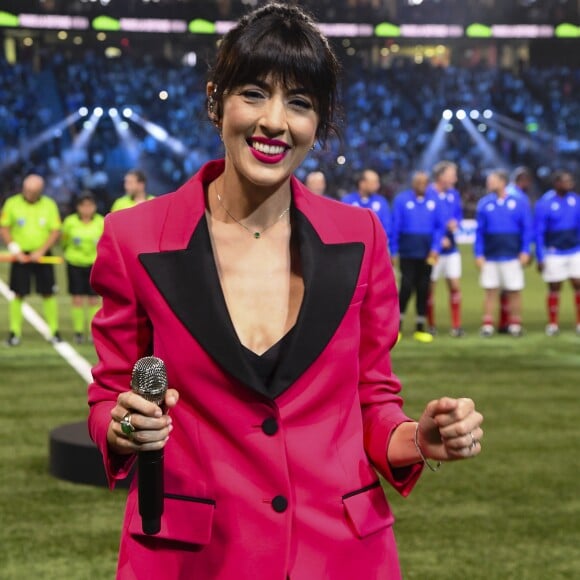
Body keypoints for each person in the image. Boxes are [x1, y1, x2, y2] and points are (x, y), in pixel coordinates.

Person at [87, 4, 484, 579]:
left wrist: (416, 437)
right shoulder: (134, 238)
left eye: (299, 103)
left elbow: (372, 402)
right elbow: (107, 400)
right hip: (191, 559)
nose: (274, 121)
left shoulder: (361, 236)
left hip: (342, 557)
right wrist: (125, 428)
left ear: (318, 124)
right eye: (253, 93)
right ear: (215, 100)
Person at [0, 174, 62, 346]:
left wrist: (41, 251)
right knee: (18, 293)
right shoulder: (12, 203)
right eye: (26, 190)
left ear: (39, 191)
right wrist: (15, 249)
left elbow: (55, 231)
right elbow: (4, 227)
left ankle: (54, 332)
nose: (28, 193)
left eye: (33, 191)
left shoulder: (49, 204)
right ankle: (14, 333)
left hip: (43, 255)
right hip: (20, 256)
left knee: (48, 292)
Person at [475, 169, 533, 337]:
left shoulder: (519, 203)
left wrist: (525, 250)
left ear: (502, 182)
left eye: (491, 180)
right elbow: (479, 232)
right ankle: (487, 324)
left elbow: (526, 229)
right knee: (490, 290)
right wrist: (479, 253)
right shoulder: (484, 204)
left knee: (514, 290)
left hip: (512, 254)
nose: (488, 183)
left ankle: (515, 324)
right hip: (491, 255)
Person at [390, 171, 443, 343]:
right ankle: (396, 327)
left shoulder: (434, 201)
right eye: (418, 182)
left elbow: (439, 228)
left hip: (427, 254)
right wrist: (394, 250)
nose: (422, 184)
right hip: (407, 253)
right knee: (405, 288)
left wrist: (435, 248)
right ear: (413, 183)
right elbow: (395, 226)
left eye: (424, 182)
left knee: (423, 288)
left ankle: (420, 327)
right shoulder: (402, 200)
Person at [534, 170, 580, 336]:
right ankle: (553, 324)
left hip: (575, 250)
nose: (570, 184)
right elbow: (539, 232)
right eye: (566, 181)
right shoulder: (545, 203)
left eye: (571, 180)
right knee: (554, 287)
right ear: (557, 184)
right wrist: (540, 255)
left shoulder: (576, 200)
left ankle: (579, 323)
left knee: (578, 284)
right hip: (554, 251)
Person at [426, 161, 464, 337]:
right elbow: (425, 221)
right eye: (452, 174)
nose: (455, 178)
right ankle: (431, 324)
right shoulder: (428, 194)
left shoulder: (454, 195)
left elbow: (458, 216)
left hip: (451, 248)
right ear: (441, 176)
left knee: (455, 285)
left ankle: (456, 326)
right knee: (430, 286)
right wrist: (438, 239)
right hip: (433, 250)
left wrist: (456, 223)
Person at [61, 192, 104, 344]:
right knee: (77, 297)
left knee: (94, 299)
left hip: (94, 265)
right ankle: (78, 332)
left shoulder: (101, 222)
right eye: (83, 206)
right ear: (78, 207)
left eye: (90, 205)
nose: (87, 209)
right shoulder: (70, 222)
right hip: (75, 264)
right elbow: (64, 241)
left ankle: (94, 332)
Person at [498, 166, 533, 332]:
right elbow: (524, 224)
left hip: (507, 245)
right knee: (511, 287)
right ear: (522, 180)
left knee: (505, 287)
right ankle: (509, 321)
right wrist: (525, 248)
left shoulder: (514, 193)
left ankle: (504, 320)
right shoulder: (518, 197)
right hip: (511, 246)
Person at [342, 168, 392, 243]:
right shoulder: (347, 201)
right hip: (353, 247)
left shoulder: (381, 201)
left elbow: (387, 227)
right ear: (362, 183)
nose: (378, 185)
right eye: (374, 182)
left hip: (376, 246)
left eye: (378, 182)